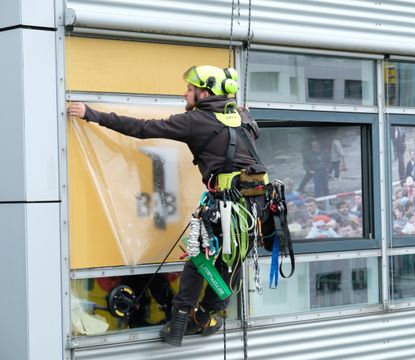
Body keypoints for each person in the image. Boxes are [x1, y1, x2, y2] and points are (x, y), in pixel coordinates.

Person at [69, 65, 292, 346]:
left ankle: (181, 322)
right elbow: (250, 131)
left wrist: (92, 114)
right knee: (230, 259)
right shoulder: (241, 116)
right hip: (255, 206)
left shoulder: (196, 121)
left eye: (189, 89)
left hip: (229, 205)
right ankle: (208, 315)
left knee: (199, 257)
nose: (184, 93)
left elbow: (142, 128)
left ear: (205, 92)